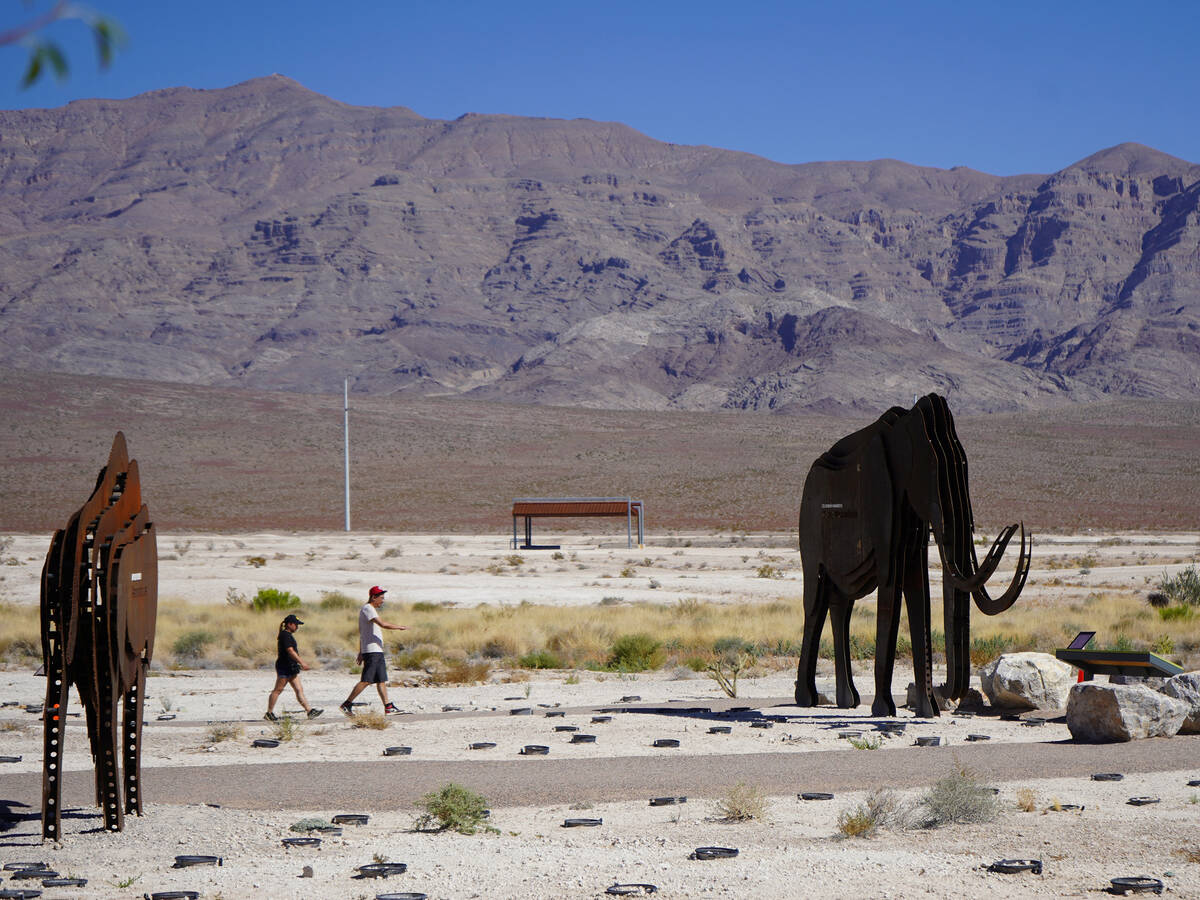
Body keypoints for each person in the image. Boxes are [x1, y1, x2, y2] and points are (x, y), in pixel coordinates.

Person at [340, 585, 407, 716]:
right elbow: (383, 624)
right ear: (373, 597)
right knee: (366, 680)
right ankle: (346, 704)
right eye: (381, 598)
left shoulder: (369, 609)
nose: (383, 601)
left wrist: (361, 651)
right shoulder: (368, 608)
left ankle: (388, 707)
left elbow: (363, 633)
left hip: (374, 650)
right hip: (372, 651)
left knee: (381, 680)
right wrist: (400, 627)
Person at [266, 613, 322, 721]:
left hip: (291, 666)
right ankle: (269, 713)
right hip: (284, 666)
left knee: (299, 689)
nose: (297, 627)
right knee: (278, 690)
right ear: (289, 624)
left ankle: (309, 711)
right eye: (296, 625)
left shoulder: (287, 635)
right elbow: (290, 651)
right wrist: (302, 662)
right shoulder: (285, 635)